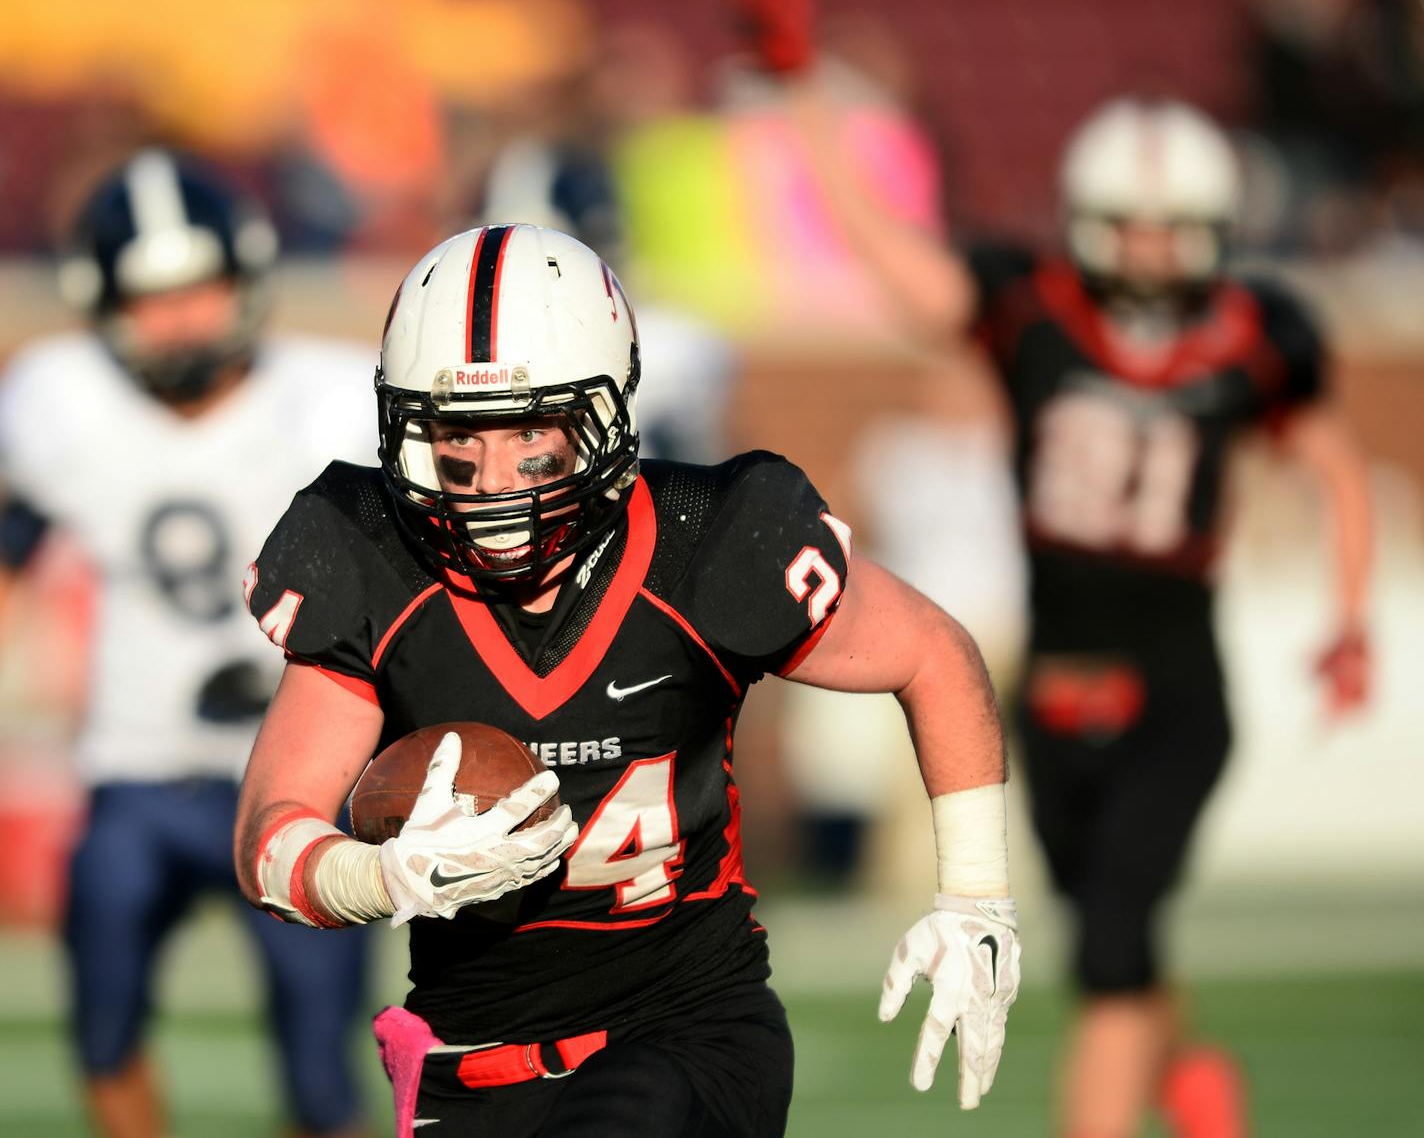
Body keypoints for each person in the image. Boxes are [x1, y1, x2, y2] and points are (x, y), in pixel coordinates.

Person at [232, 222, 1023, 1137]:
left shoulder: (709, 541)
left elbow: (932, 652)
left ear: (601, 419)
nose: (492, 479)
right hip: (472, 1061)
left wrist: (976, 900)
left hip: (688, 1029)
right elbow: (268, 837)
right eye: (457, 435)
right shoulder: (373, 559)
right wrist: (383, 873)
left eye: (529, 430)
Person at [791, 91, 1375, 1138]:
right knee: (1113, 937)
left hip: (1174, 688)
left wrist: (1347, 620)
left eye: (1170, 226)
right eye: (1131, 223)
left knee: (1110, 945)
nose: (1150, 250)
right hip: (1051, 693)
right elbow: (905, 275)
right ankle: (1191, 1072)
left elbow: (1334, 467)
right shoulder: (1033, 312)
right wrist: (808, 113)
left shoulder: (1250, 333)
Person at [0, 149, 376, 1138]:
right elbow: (14, 542)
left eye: (199, 291)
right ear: (101, 302)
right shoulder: (57, 399)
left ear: (245, 280)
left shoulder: (331, 403)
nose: (181, 319)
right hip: (137, 765)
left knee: (321, 1073)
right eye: (152, 297)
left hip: (301, 770)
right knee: (102, 1029)